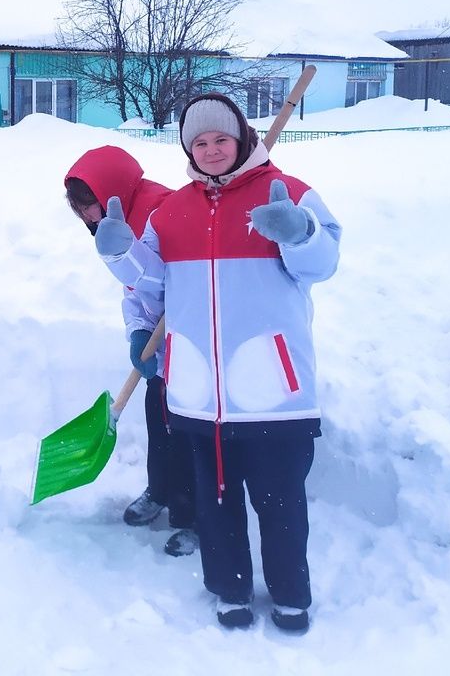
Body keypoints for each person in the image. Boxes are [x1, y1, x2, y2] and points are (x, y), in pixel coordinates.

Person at [96, 93, 340, 633]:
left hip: (273, 388)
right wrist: (120, 254)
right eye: (199, 142)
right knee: (216, 503)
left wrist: (300, 233)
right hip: (200, 391)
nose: (210, 150)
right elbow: (152, 284)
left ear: (242, 139)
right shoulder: (172, 210)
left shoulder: (290, 193)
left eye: (220, 139)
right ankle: (229, 590)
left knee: (280, 505)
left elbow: (324, 264)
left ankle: (291, 596)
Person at [65, 145, 198, 558]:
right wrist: (139, 330)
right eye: (80, 209)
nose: (87, 216)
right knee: (160, 422)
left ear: (112, 190)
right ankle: (160, 490)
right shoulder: (117, 222)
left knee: (189, 432)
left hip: (193, 343)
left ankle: (194, 516)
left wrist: (169, 328)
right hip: (160, 340)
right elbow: (134, 291)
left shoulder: (164, 208)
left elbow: (183, 279)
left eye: (89, 205)